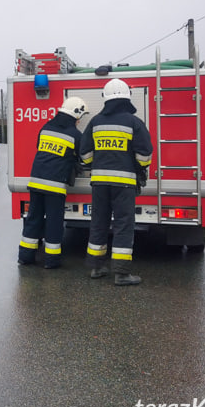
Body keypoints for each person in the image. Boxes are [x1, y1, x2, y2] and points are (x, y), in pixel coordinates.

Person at [80, 78, 153, 286]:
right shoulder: (134, 122)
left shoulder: (95, 122)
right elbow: (144, 156)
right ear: (127, 98)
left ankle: (96, 267)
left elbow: (85, 154)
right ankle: (121, 274)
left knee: (98, 223)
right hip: (125, 184)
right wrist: (138, 168)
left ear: (106, 98)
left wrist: (95, 163)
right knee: (123, 225)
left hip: (99, 183)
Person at [18, 97, 87, 269]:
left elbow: (39, 147)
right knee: (54, 222)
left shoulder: (46, 128)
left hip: (36, 181)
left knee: (33, 219)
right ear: (75, 114)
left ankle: (25, 257)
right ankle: (51, 260)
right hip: (55, 185)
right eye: (80, 117)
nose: (80, 121)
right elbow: (84, 158)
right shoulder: (75, 135)